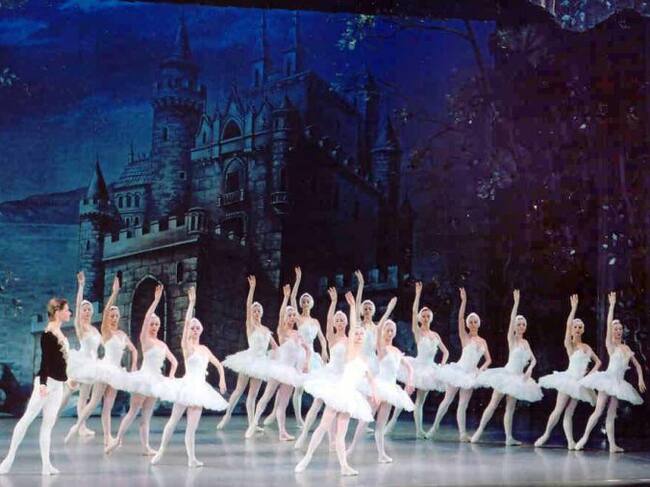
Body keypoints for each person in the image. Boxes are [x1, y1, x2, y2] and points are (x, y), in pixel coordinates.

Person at [295, 292, 377, 476]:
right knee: (323, 426)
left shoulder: (363, 357)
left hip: (350, 397)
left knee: (341, 434)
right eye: (356, 334)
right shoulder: (350, 348)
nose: (358, 336)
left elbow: (369, 376)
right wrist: (353, 307)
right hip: (339, 391)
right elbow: (354, 326)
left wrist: (374, 392)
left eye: (361, 335)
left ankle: (344, 466)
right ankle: (306, 458)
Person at [151, 286, 228, 467]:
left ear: (201, 330)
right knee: (173, 420)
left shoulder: (204, 349)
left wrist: (222, 379)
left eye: (196, 328)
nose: (194, 330)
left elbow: (218, 365)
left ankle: (192, 458)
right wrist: (191, 304)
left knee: (192, 428)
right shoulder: (188, 347)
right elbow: (185, 325)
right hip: (186, 387)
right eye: (192, 328)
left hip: (200, 390)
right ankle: (161, 451)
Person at [0, 298, 72, 475]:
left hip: (58, 385)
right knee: (27, 419)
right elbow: (45, 362)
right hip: (46, 384)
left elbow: (60, 362)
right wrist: (43, 384)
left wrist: (67, 379)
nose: (69, 313)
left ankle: (46, 465)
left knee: (48, 425)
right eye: (67, 310)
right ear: (57, 312)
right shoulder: (48, 334)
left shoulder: (59, 332)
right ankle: (7, 460)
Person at [105, 284, 178, 455]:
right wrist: (156, 300)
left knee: (146, 416)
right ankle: (117, 440)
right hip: (144, 379)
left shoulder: (162, 344)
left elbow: (174, 361)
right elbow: (146, 319)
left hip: (155, 381)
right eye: (152, 324)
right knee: (133, 412)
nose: (154, 326)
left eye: (156, 324)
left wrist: (171, 375)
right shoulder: (146, 339)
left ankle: (146, 447)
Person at [575, 292, 646, 452]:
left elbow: (637, 365)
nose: (618, 331)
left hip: (618, 384)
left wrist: (640, 378)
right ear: (612, 331)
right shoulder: (611, 345)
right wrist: (612, 305)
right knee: (599, 410)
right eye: (616, 329)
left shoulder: (626, 348)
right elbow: (608, 325)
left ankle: (612, 444)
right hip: (608, 380)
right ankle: (584, 438)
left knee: (612, 413)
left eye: (620, 329)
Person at [471, 289, 543, 445]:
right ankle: (478, 432)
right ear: (515, 327)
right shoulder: (512, 339)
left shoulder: (525, 343)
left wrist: (530, 369)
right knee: (493, 404)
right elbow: (511, 321)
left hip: (518, 378)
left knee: (510, 408)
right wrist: (516, 303)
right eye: (519, 324)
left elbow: (534, 360)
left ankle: (509, 437)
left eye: (523, 324)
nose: (521, 326)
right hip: (507, 375)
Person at [535, 294, 601, 449]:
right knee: (558, 409)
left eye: (580, 327)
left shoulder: (587, 347)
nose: (577, 329)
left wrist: (588, 376)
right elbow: (567, 325)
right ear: (571, 330)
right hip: (569, 379)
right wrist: (573, 309)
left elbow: (599, 362)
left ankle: (571, 441)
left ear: (583, 330)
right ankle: (545, 435)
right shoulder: (569, 345)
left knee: (569, 412)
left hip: (579, 382)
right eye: (575, 327)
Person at [426, 287, 492, 441]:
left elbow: (489, 359)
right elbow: (460, 319)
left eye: (475, 322)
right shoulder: (465, 337)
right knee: (448, 400)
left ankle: (462, 433)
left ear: (478, 324)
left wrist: (481, 369)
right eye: (471, 322)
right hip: (458, 371)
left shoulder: (483, 341)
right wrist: (464, 301)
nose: (473, 324)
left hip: (471, 374)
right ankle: (434, 428)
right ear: (468, 324)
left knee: (463, 404)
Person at [217, 276, 277, 431]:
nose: (256, 312)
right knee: (239, 390)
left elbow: (275, 347)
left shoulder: (266, 330)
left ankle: (252, 424)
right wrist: (252, 289)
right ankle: (227, 415)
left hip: (261, 362)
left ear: (261, 313)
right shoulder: (250, 325)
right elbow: (248, 305)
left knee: (253, 395)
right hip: (249, 359)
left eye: (258, 310)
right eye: (254, 310)